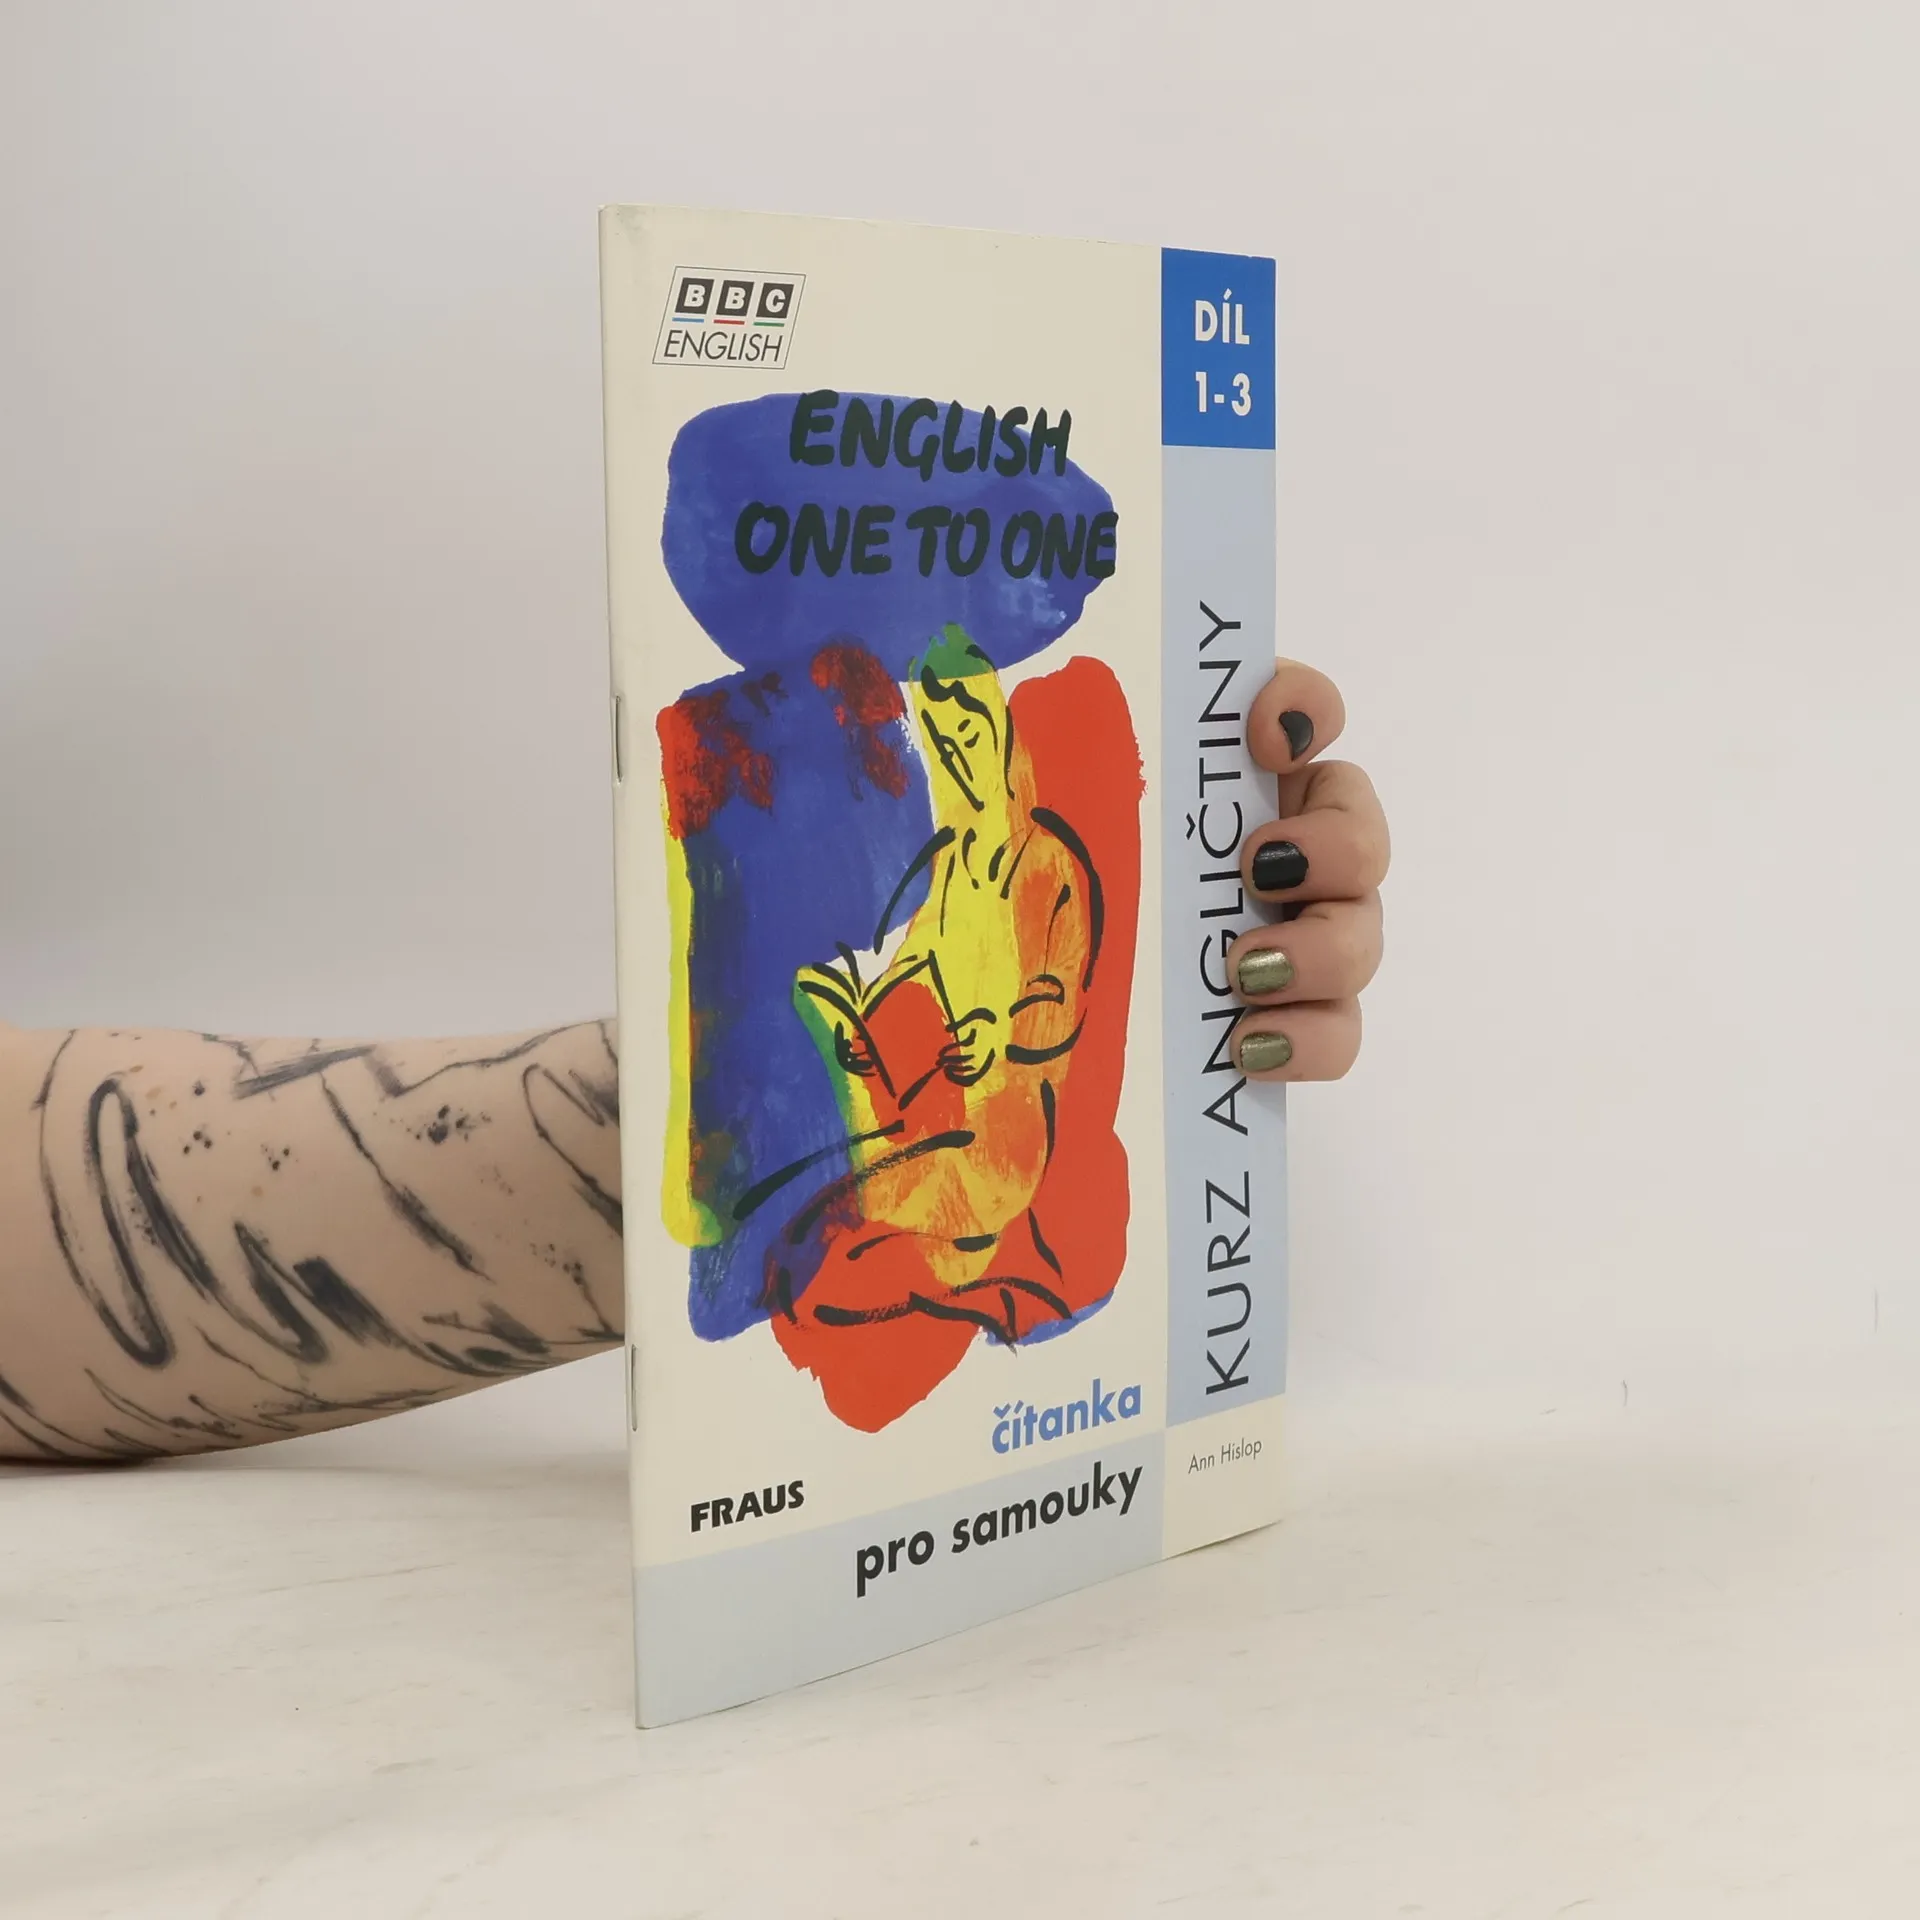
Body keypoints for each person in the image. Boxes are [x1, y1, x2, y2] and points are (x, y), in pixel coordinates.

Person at [0, 659, 1387, 1465]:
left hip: (991, 1159)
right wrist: (821, 1046)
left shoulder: (1034, 864)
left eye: (973, 726)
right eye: (946, 728)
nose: (957, 746)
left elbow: (1044, 1010)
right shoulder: (948, 868)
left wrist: (1029, 1030)